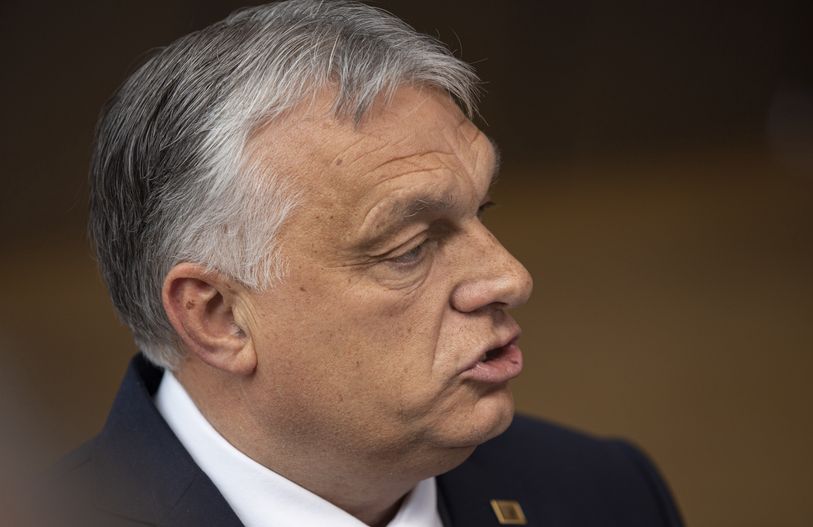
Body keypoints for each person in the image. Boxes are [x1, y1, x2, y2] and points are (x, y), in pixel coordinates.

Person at [52, 1, 684, 526]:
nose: (511, 278)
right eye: (410, 248)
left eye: (481, 211)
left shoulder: (605, 492)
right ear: (218, 317)